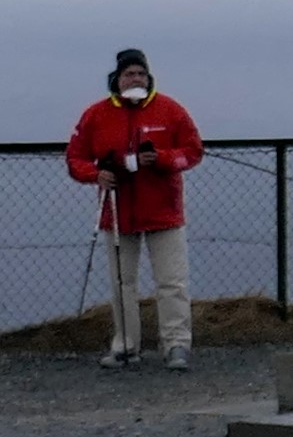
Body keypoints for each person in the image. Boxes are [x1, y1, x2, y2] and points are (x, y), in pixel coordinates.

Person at [66, 50, 207, 367]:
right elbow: (75, 159)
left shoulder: (171, 110)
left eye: (141, 74)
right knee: (121, 283)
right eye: (130, 74)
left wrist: (162, 159)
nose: (136, 79)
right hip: (117, 212)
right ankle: (126, 345)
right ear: (117, 79)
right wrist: (96, 174)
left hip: (163, 212)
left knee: (172, 282)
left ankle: (177, 344)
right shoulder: (96, 115)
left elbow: (193, 151)